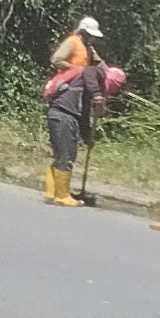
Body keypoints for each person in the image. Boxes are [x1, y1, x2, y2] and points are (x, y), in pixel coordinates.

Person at [43, 36, 118, 207]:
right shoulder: (93, 73)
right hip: (64, 115)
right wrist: (97, 96)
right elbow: (89, 71)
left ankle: (53, 192)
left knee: (62, 155)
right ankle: (61, 195)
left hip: (61, 115)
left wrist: (87, 136)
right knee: (66, 155)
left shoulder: (81, 82)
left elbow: (83, 114)